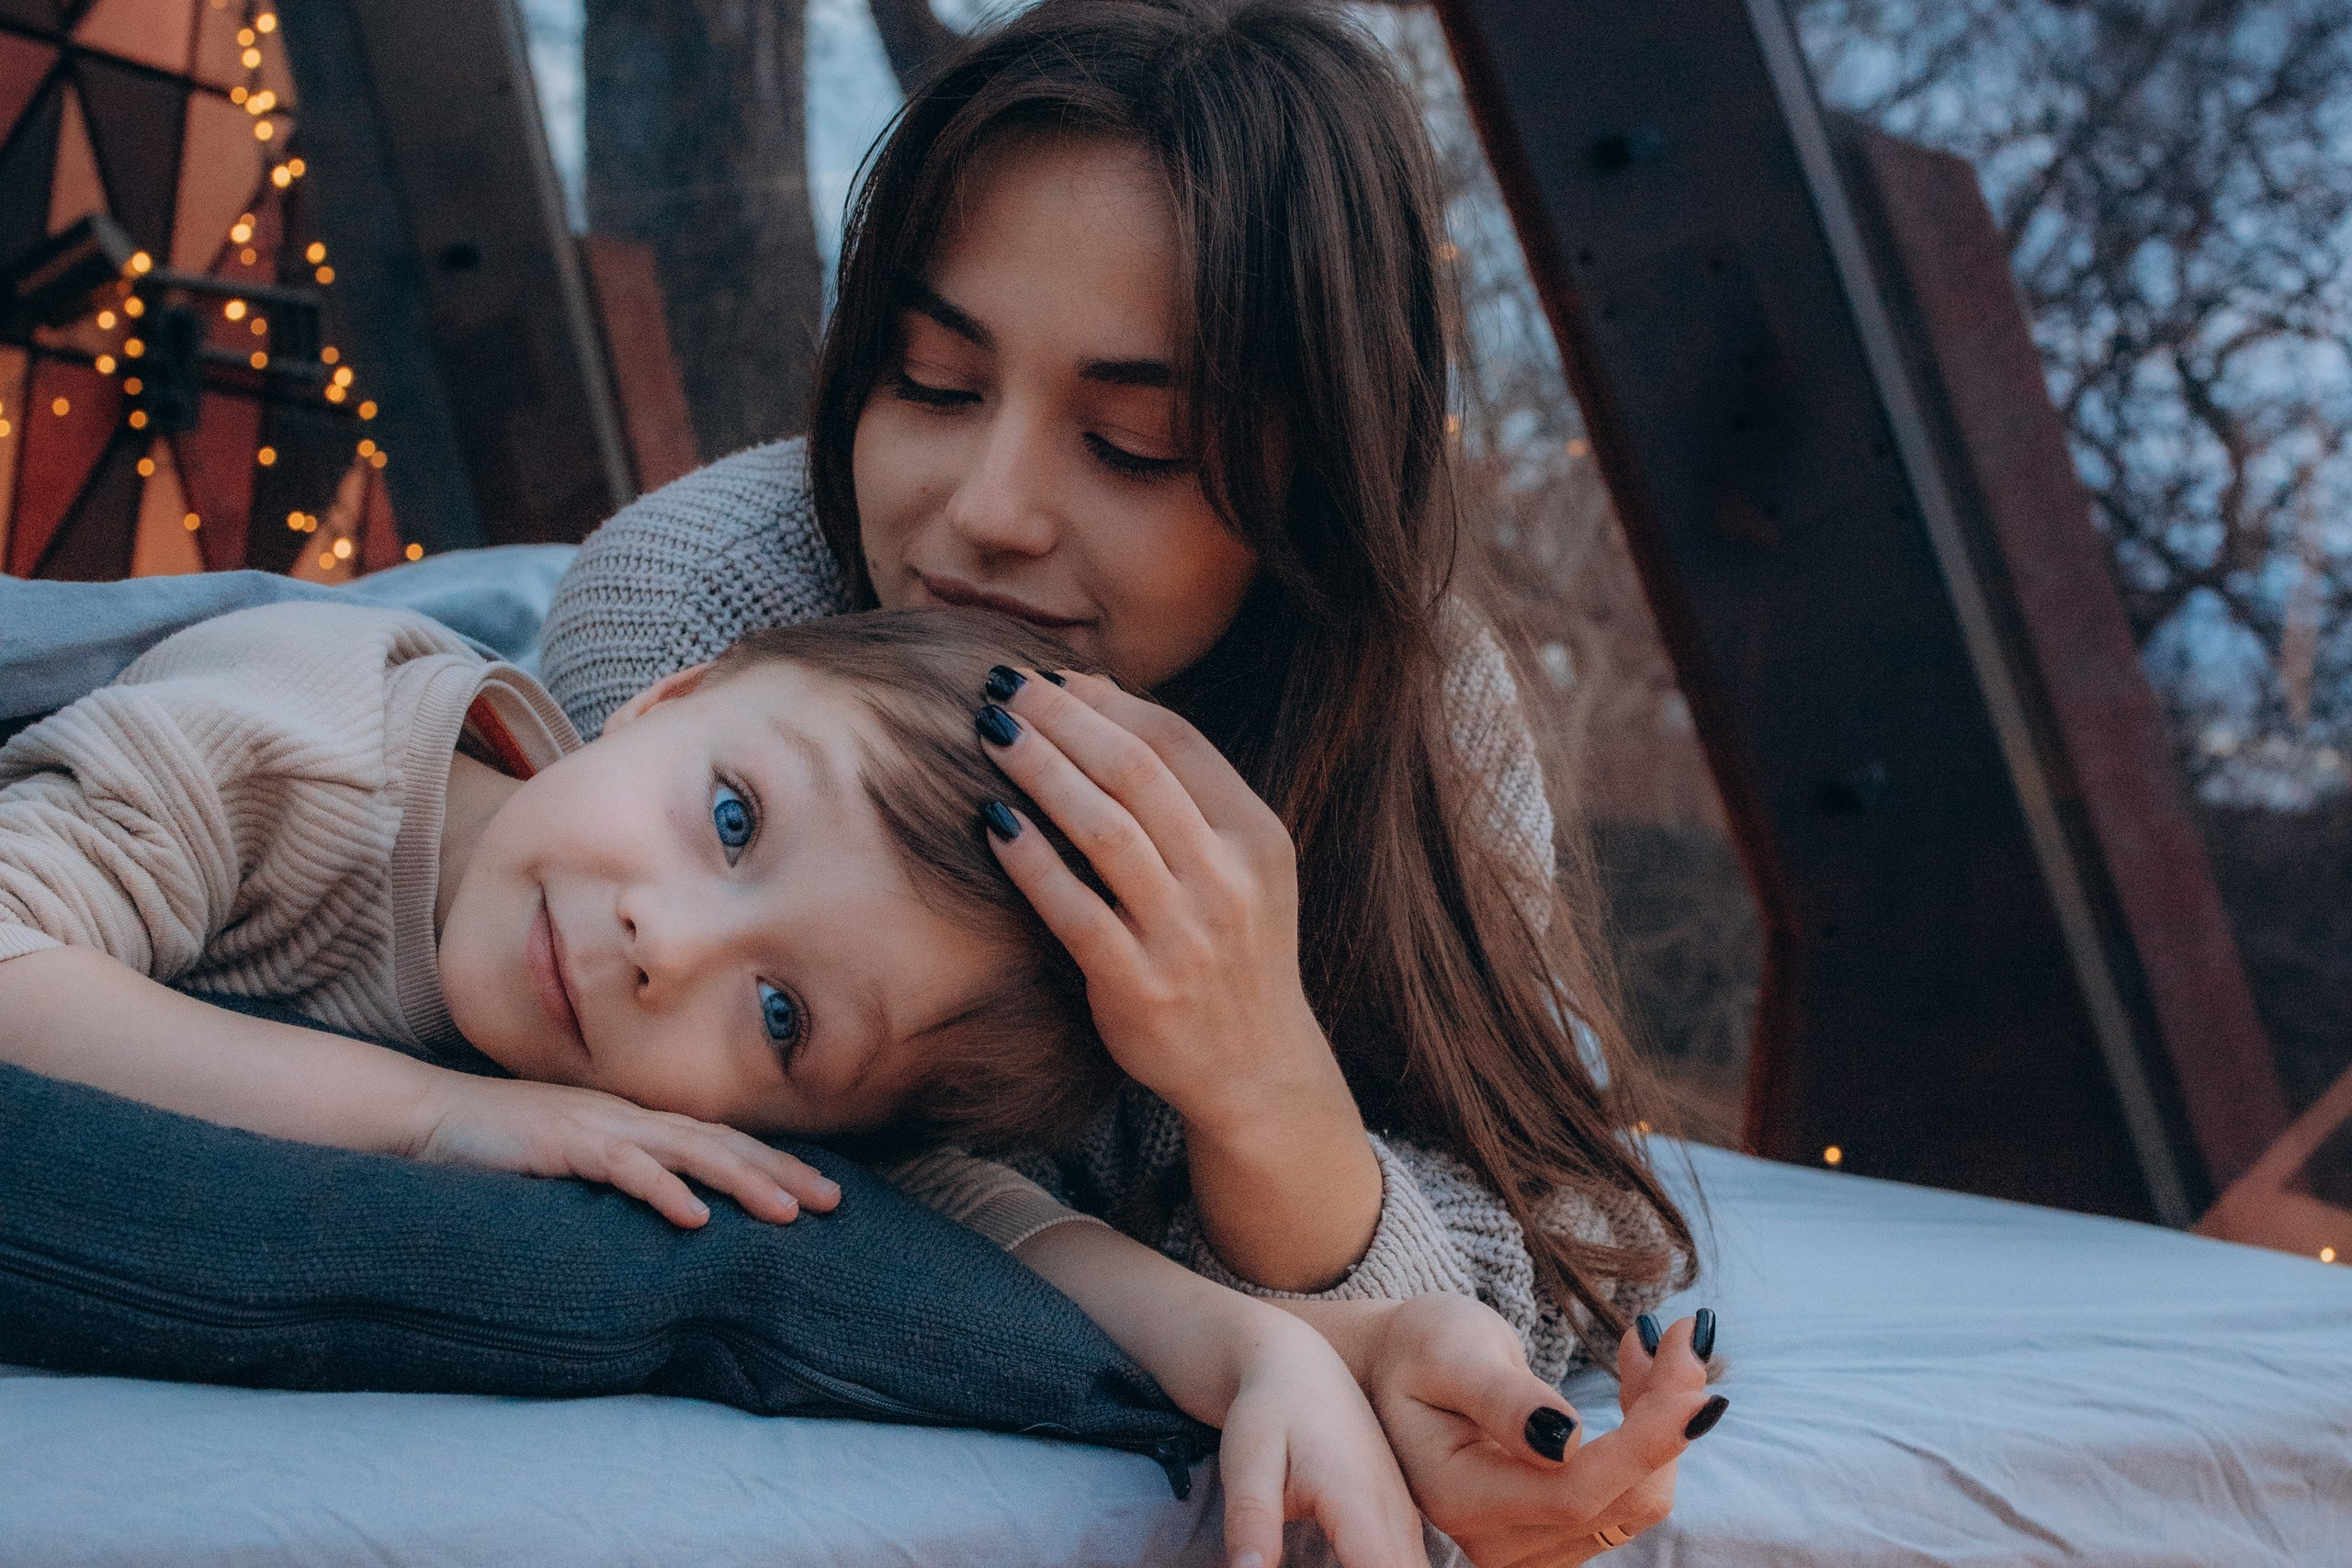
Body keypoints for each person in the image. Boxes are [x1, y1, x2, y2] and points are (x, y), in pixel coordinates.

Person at [537, 0, 1724, 1560]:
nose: (990, 510)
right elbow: (691, 1151)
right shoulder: (708, 598)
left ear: (1316, 486)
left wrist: (1267, 1088)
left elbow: (1568, 1224)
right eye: (935, 383)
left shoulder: (1410, 701)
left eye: (1137, 444)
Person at [0, 595, 1500, 1568]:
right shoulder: (294, 739)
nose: (666, 943)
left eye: (780, 1016)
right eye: (729, 816)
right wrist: (437, 1115)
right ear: (670, 695)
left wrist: (1279, 1352)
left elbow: (996, 1235)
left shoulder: (703, 1089)